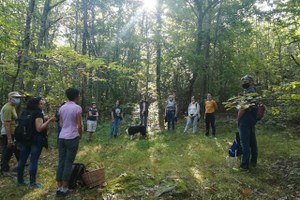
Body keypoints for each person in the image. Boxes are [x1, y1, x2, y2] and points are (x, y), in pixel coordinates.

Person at [17, 97, 54, 188]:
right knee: (33, 161)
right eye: (41, 104)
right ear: (36, 104)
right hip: (35, 140)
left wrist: (43, 118)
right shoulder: (38, 113)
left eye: (43, 104)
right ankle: (32, 183)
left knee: (22, 160)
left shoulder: (25, 112)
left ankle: (20, 181)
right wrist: (49, 120)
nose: (42, 105)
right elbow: (39, 128)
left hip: (25, 139)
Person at [56, 88, 83, 197]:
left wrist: (66, 129)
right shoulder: (77, 108)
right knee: (68, 162)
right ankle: (65, 188)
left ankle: (59, 187)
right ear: (76, 96)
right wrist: (80, 134)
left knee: (61, 161)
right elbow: (79, 125)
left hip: (62, 137)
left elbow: (61, 124)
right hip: (72, 137)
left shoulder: (62, 108)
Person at [237, 75, 258, 172]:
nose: (243, 83)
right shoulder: (254, 92)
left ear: (251, 82)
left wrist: (238, 118)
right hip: (252, 120)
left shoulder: (249, 92)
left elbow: (243, 108)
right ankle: (253, 162)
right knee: (252, 142)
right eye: (243, 81)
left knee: (245, 144)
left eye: (245, 81)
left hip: (245, 120)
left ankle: (244, 166)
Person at [0, 91, 22, 175]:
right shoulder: (8, 108)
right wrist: (9, 138)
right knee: (7, 151)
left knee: (13, 150)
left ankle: (19, 165)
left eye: (18, 98)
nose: (18, 99)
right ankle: (4, 169)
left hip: (12, 132)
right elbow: (7, 123)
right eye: (16, 97)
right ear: (10, 98)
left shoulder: (12, 107)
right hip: (8, 133)